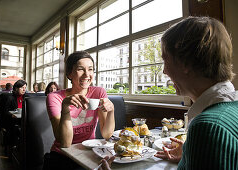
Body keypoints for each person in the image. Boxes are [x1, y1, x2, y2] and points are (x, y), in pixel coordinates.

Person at [99, 16, 238, 170]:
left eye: (166, 60)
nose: (164, 71)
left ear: (185, 62)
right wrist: (188, 156)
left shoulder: (208, 127)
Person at [44, 51, 115, 170]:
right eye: (80, 69)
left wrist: (111, 111)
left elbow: (107, 134)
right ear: (69, 74)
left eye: (91, 69)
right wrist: (65, 108)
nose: (87, 74)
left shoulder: (99, 92)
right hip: (62, 156)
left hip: (89, 153)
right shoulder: (54, 97)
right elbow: (65, 143)